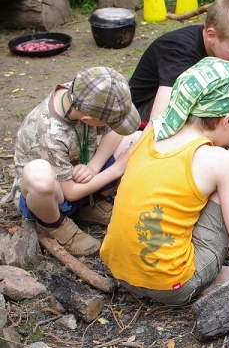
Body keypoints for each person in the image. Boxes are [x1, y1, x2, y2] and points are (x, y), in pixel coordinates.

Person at [100, 57, 229, 305]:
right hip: (173, 286)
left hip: (122, 272)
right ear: (227, 119)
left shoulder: (154, 129)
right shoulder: (217, 161)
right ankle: (210, 278)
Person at [10, 67, 142, 257]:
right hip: (54, 196)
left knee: (135, 139)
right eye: (109, 121)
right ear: (88, 119)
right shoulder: (46, 131)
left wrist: (93, 166)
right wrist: (117, 168)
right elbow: (69, 192)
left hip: (79, 172)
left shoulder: (83, 94)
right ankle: (54, 225)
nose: (112, 125)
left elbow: (115, 131)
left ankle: (91, 205)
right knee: (37, 174)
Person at [129, 0, 229, 149]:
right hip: (145, 113)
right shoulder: (180, 51)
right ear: (211, 36)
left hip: (197, 110)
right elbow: (159, 119)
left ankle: (217, 132)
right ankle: (215, 137)